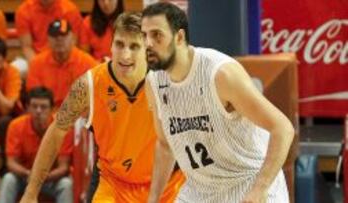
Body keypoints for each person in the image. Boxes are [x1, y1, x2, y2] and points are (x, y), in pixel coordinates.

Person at [19, 12, 184, 203]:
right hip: (115, 185)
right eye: (120, 44)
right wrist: (31, 192)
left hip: (168, 184)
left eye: (134, 46)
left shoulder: (169, 80)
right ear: (111, 45)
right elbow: (57, 130)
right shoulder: (88, 85)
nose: (125, 55)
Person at [141, 2, 294, 203]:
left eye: (156, 35)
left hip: (247, 182)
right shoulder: (153, 83)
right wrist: (152, 199)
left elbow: (283, 128)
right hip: (200, 190)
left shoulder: (221, 74)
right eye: (144, 35)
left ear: (179, 37)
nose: (148, 43)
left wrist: (261, 188)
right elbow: (165, 145)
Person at [0, 87, 73, 203]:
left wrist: (41, 176)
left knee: (66, 184)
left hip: (50, 178)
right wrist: (29, 174)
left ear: (52, 109)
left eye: (43, 107)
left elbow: (64, 167)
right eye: (34, 106)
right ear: (27, 108)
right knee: (8, 179)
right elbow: (11, 163)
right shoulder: (15, 126)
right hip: (24, 177)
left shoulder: (63, 128)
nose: (38, 111)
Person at [26, 19, 97, 108]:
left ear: (72, 37)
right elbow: (35, 98)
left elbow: (94, 97)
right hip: (48, 115)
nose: (59, 39)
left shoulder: (87, 63)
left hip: (78, 114)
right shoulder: (37, 64)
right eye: (54, 36)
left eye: (63, 35)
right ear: (48, 39)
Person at [0, 37, 21, 171]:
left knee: (4, 122)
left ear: (3, 59)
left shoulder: (12, 72)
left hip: (7, 120)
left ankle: (6, 169)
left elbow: (6, 110)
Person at [15, 0, 83, 62]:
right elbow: (27, 47)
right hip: (35, 57)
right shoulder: (24, 10)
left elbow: (73, 44)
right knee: (18, 68)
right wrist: (37, 65)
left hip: (63, 56)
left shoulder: (70, 10)